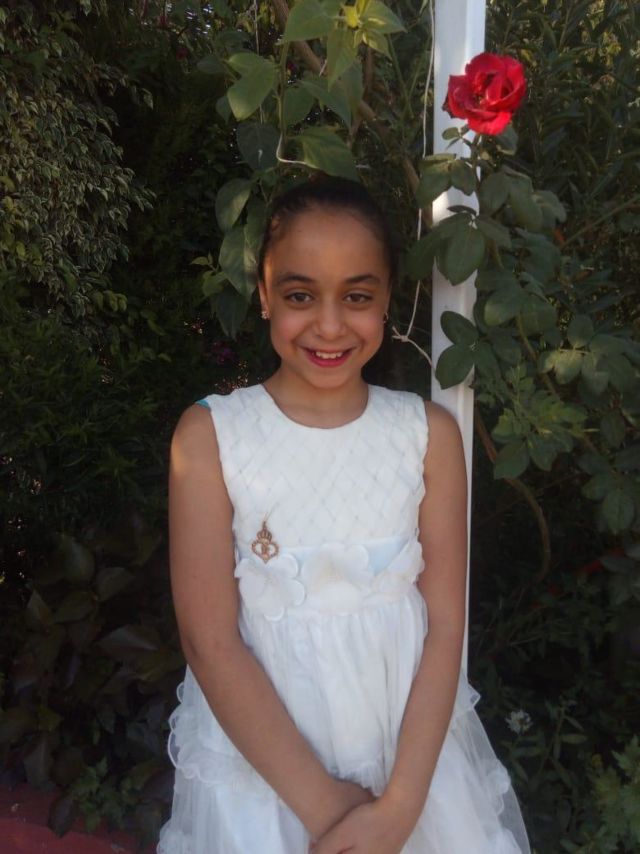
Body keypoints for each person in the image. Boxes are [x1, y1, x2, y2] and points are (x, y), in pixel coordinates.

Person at [157, 177, 530, 853]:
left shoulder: (427, 435)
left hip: (411, 772)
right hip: (266, 780)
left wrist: (399, 810)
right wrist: (328, 807)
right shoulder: (210, 437)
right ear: (264, 294)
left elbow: (446, 627)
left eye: (357, 297)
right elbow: (210, 641)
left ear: (387, 300)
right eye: (300, 295)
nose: (329, 326)